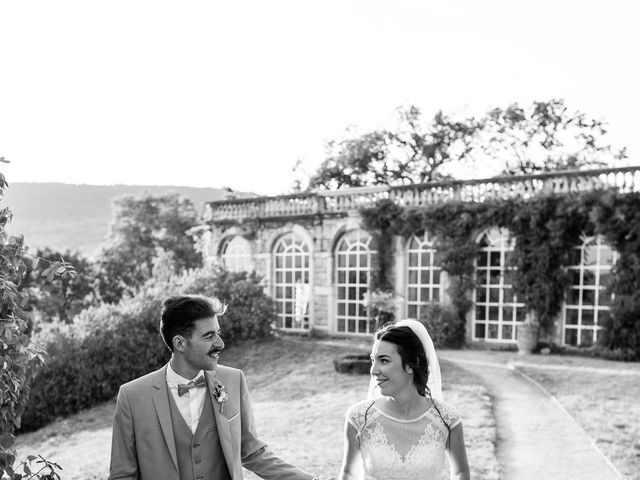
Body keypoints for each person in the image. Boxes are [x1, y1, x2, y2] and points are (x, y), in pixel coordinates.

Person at [109, 294, 317, 480]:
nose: (220, 343)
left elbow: (252, 452)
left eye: (218, 333)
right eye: (209, 336)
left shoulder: (234, 380)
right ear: (180, 343)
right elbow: (122, 475)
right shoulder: (132, 396)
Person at [338, 319, 470, 480]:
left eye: (384, 360)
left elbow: (460, 472)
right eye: (373, 360)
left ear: (410, 365)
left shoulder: (447, 419)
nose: (373, 370)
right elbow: (348, 473)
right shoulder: (359, 418)